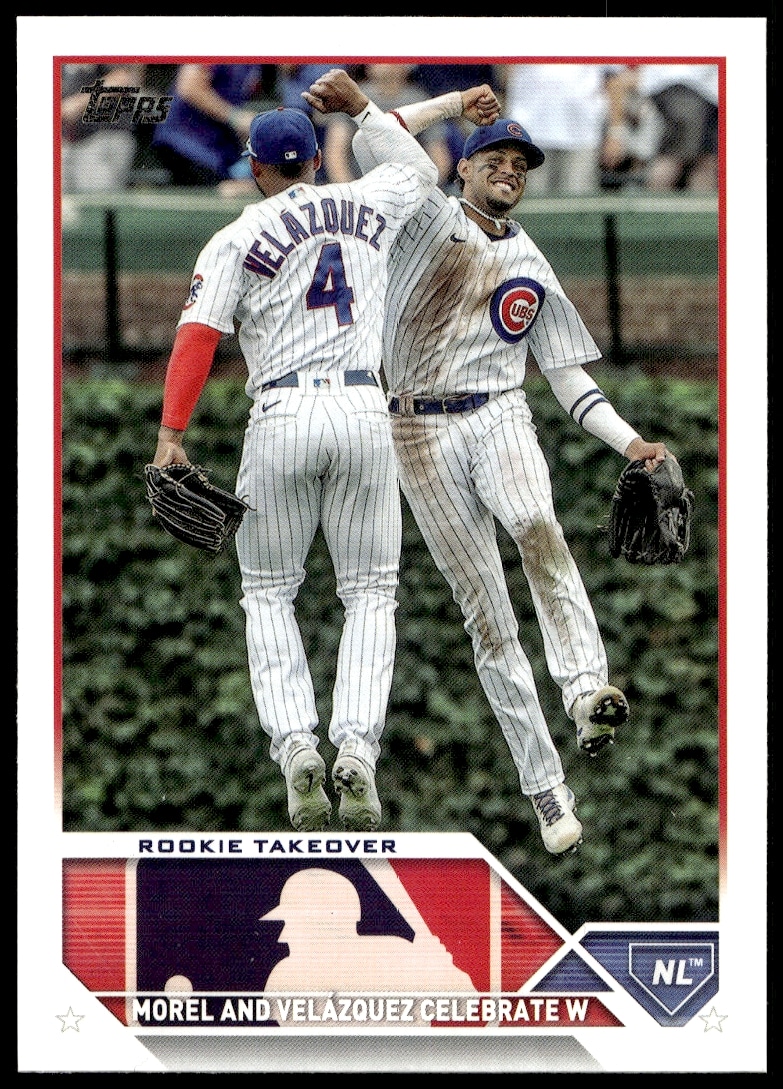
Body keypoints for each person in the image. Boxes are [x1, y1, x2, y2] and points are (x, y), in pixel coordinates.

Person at [148, 70, 496, 835]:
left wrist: (172, 433)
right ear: (313, 159)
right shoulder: (367, 200)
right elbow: (415, 164)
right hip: (363, 409)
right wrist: (371, 109)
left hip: (281, 412)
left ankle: (297, 746)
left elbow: (197, 338)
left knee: (269, 592)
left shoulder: (236, 235)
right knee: (369, 592)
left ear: (256, 167)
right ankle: (358, 752)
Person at [353, 99, 673, 856]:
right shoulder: (426, 215)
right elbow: (373, 139)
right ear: (462, 167)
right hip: (415, 427)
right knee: (488, 617)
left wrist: (630, 442)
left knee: (537, 526)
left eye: (520, 163)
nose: (509, 169)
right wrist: (444, 106)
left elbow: (566, 377)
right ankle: (546, 788)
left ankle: (585, 690)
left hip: (499, 412)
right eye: (493, 157)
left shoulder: (531, 261)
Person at [318, 64, 453, 188]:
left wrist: (421, 193)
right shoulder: (351, 97)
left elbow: (440, 158)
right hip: (361, 189)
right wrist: (352, 194)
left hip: (410, 191)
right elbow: (335, 154)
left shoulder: (419, 99)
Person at [150, 63, 265, 187]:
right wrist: (235, 117)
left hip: (215, 148)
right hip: (186, 142)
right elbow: (188, 87)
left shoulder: (253, 65)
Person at [502, 64, 608, 196]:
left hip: (582, 134)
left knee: (578, 202)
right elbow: (505, 74)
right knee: (530, 201)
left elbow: (614, 78)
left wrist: (615, 131)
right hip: (530, 132)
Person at [60, 63, 148, 193]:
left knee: (96, 199)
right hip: (70, 141)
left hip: (104, 136)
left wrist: (76, 103)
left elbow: (123, 77)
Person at [635, 64, 719, 191]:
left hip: (707, 94)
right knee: (673, 157)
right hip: (684, 85)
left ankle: (702, 204)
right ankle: (653, 202)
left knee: (706, 160)